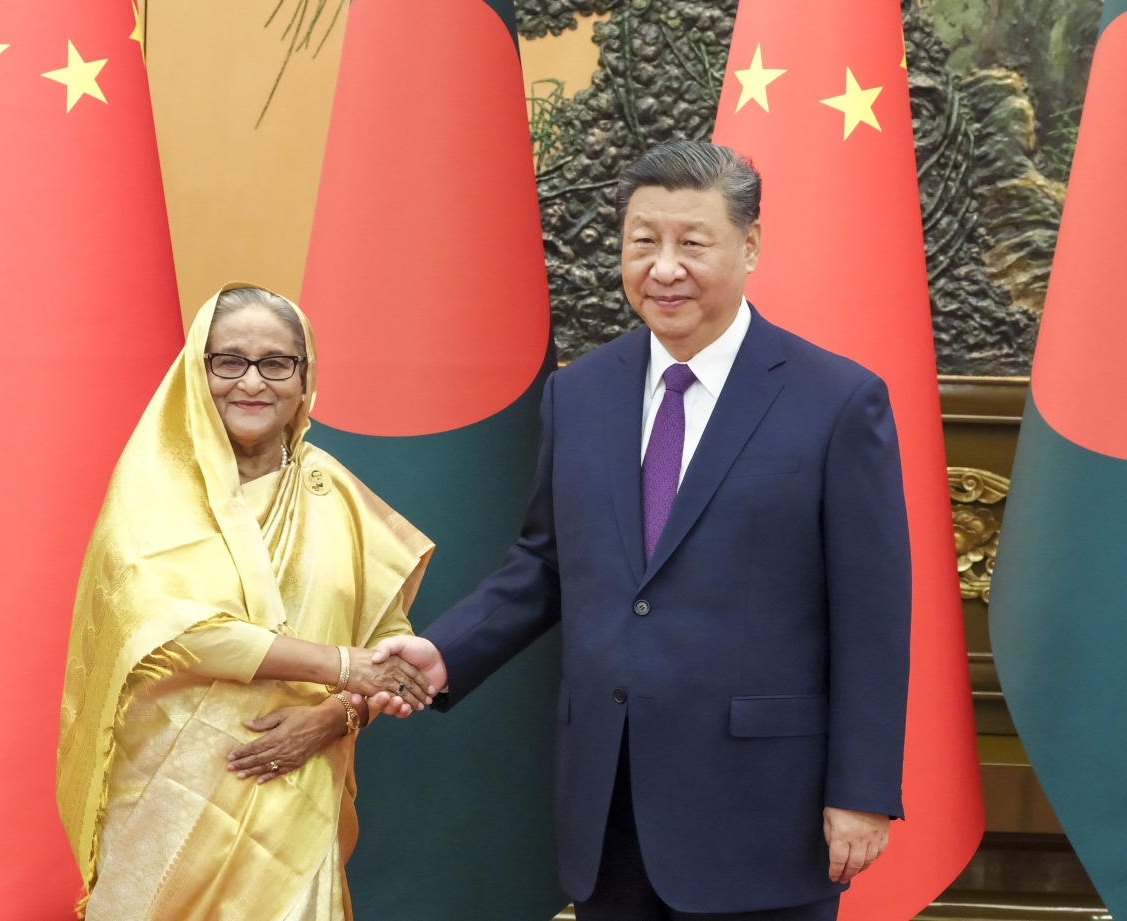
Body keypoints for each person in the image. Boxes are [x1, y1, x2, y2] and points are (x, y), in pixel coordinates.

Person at [373, 141, 913, 920]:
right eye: (642, 242)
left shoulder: (836, 401)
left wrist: (861, 790)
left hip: (763, 812)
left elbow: (872, 613)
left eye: (692, 243)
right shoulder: (580, 394)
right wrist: (444, 650)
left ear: (750, 245)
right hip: (609, 803)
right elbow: (546, 562)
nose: (664, 268)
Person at [57, 284, 436, 921]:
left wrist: (336, 716)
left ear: (304, 376)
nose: (252, 382)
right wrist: (345, 669)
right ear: (195, 373)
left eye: (277, 362)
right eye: (229, 361)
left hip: (291, 792)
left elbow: (389, 646)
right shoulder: (153, 488)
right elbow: (181, 633)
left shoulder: (335, 494)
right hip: (165, 801)